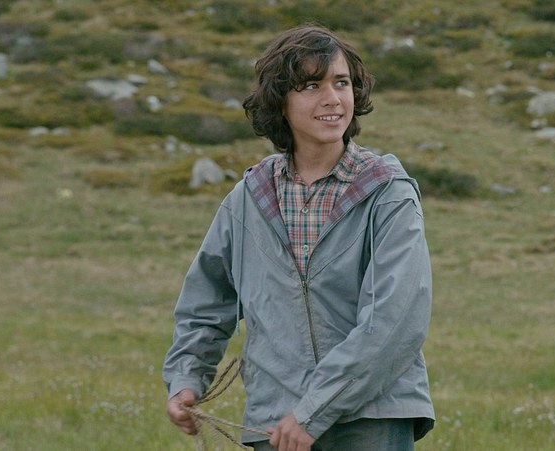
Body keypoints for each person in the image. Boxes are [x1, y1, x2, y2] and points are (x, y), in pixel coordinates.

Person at [163, 24, 435, 451]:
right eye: (311, 85)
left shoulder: (387, 193)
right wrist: (186, 378)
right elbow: (207, 300)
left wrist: (314, 411)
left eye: (341, 83)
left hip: (372, 418)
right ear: (280, 102)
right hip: (276, 422)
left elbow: (395, 319)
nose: (333, 98)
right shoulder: (249, 198)